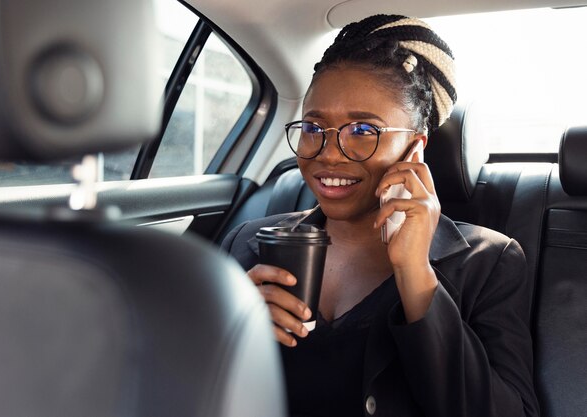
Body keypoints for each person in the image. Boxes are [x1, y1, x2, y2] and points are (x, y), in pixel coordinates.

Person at [221, 14, 539, 417]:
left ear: (416, 149)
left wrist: (415, 274)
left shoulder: (487, 262)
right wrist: (230, 331)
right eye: (314, 128)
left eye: (363, 130)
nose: (328, 153)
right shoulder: (250, 241)